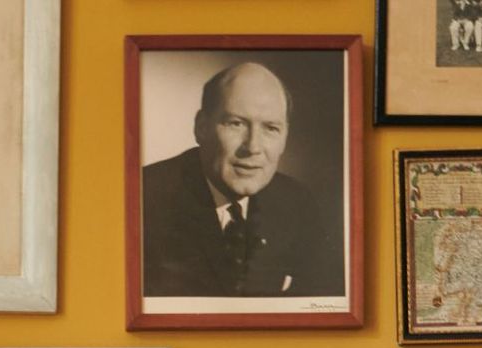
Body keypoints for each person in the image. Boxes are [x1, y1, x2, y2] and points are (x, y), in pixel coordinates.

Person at [141, 59, 342, 301]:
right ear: (201, 127)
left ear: (285, 137)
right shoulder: (145, 198)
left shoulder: (297, 203)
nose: (253, 147)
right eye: (236, 124)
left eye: (270, 128)